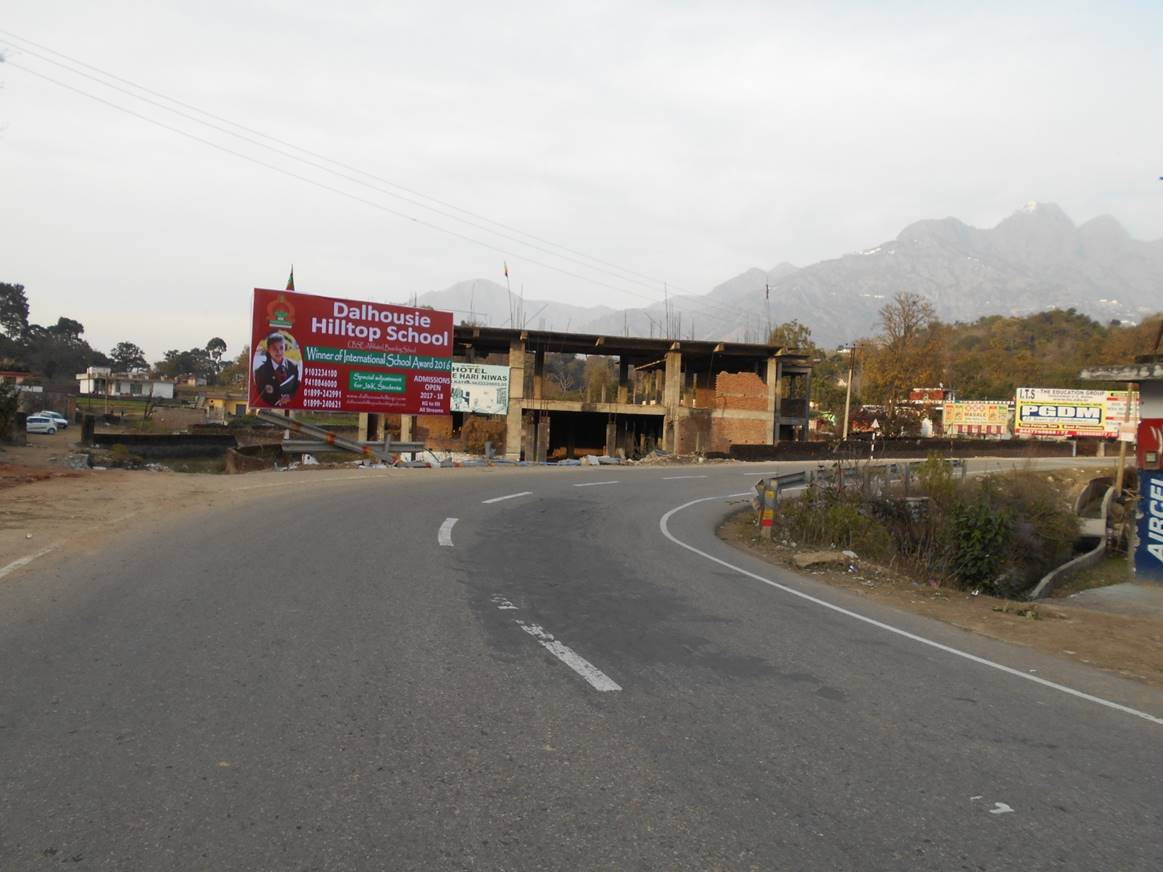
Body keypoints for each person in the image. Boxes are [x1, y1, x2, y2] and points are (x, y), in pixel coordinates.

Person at [254, 332, 300, 407]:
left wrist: (290, 397)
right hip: (270, 410)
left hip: (290, 406)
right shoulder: (260, 372)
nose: (279, 351)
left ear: (285, 347)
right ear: (268, 350)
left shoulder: (293, 367)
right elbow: (259, 396)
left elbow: (297, 389)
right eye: (274, 348)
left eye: (281, 348)